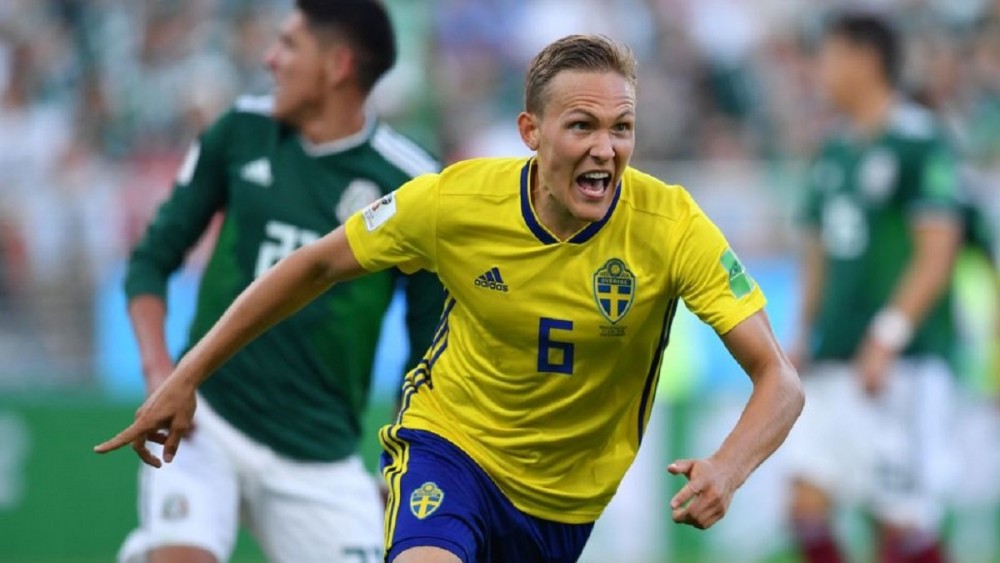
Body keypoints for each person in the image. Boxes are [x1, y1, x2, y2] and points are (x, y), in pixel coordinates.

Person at [98, 34, 804, 563]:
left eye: (622, 128)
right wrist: (186, 373)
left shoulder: (671, 225)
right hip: (451, 448)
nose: (606, 149)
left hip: (565, 506)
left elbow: (780, 380)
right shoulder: (454, 202)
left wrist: (728, 468)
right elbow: (314, 266)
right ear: (531, 132)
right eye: (581, 126)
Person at [115, 1, 443, 562]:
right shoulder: (240, 132)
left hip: (320, 456)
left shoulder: (413, 183)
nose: (271, 59)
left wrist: (399, 467)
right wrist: (159, 375)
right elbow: (151, 259)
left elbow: (428, 351)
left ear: (338, 65)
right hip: (206, 419)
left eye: (289, 44)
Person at [785, 12, 964, 563]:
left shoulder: (920, 141)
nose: (821, 70)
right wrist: (802, 333)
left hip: (902, 363)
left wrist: (887, 337)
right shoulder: (832, 151)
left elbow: (937, 253)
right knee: (805, 504)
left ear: (864, 60)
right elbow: (818, 254)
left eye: (830, 56)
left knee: (901, 523)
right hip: (835, 355)